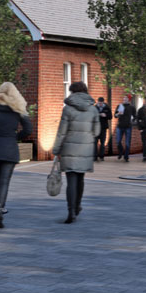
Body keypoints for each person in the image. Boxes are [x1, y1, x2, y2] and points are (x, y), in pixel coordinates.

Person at [0, 82, 33, 229]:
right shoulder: (18, 109)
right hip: (10, 149)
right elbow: (28, 129)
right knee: (4, 182)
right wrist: (14, 137)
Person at [52, 81, 100, 224]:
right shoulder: (93, 110)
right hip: (85, 148)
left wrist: (56, 149)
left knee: (71, 180)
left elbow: (62, 132)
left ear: (72, 92)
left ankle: (71, 211)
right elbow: (97, 131)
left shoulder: (67, 109)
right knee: (80, 178)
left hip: (69, 148)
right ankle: (78, 205)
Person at [113, 95, 133, 162]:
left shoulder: (132, 107)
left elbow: (135, 116)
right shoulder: (120, 106)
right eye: (124, 97)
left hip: (128, 127)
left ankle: (126, 157)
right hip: (120, 126)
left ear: (129, 99)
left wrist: (132, 119)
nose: (124, 99)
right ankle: (121, 151)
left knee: (127, 143)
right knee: (118, 141)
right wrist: (118, 113)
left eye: (126, 98)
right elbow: (115, 115)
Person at [95, 96, 112, 160]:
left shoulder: (107, 108)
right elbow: (92, 116)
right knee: (95, 142)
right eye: (99, 103)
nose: (100, 104)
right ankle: (95, 156)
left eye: (101, 103)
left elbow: (110, 117)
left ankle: (101, 156)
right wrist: (99, 115)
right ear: (97, 102)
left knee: (102, 142)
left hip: (103, 127)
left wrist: (105, 115)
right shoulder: (95, 108)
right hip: (96, 127)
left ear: (103, 102)